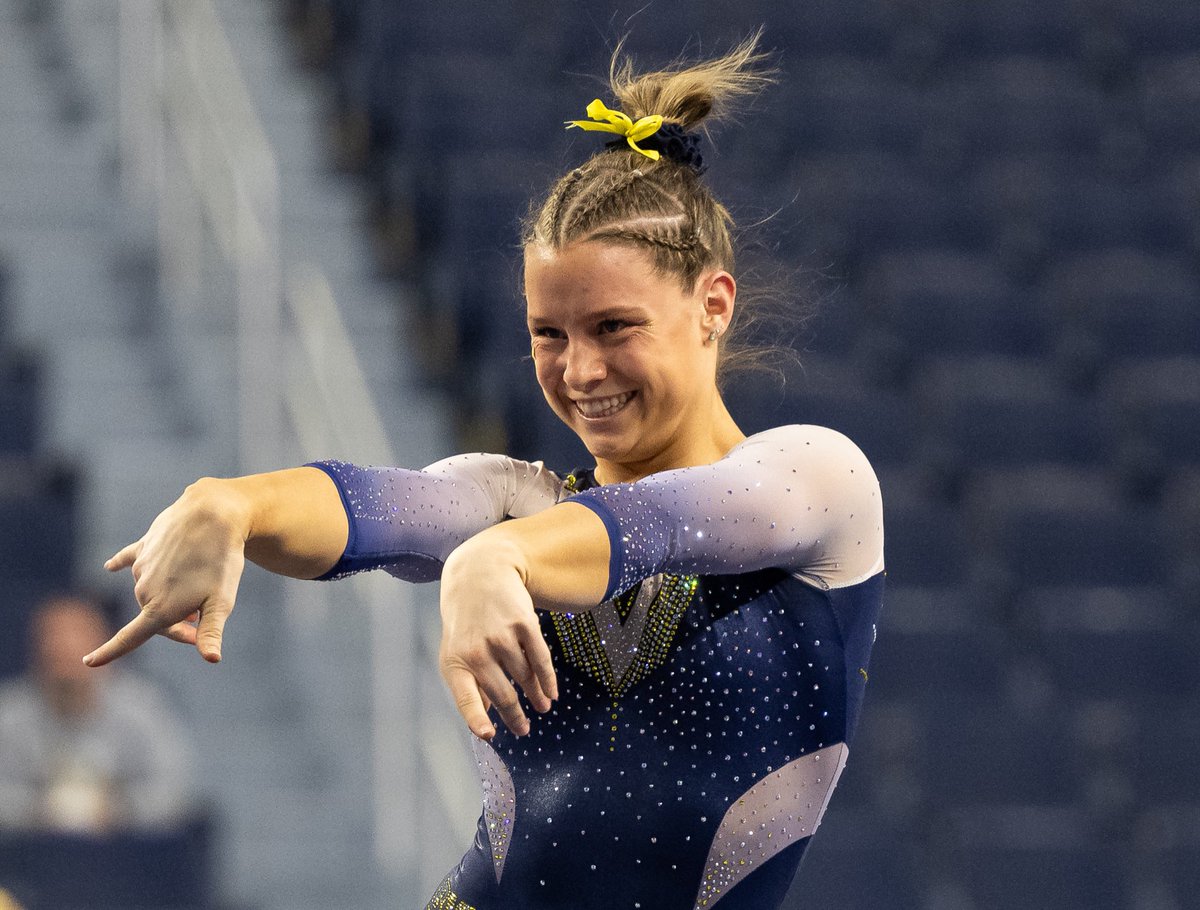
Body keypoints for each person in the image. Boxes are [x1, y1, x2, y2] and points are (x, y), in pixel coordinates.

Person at [83, 37, 885, 910]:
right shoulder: (516, 503)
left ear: (712, 306)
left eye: (615, 327)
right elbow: (375, 509)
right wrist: (235, 503)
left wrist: (496, 561)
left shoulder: (818, 481)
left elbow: (676, 521)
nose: (579, 372)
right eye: (550, 333)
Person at [0, 594, 194, 833]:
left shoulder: (142, 709)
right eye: (53, 637)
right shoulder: (9, 714)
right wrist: (41, 811)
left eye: (75, 635)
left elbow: (172, 789)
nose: (63, 647)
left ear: (104, 641)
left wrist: (116, 810)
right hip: (32, 856)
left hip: (123, 855)